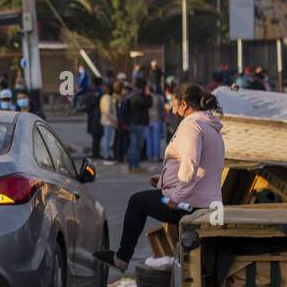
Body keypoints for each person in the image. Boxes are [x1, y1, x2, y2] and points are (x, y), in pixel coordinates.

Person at [96, 83, 225, 272]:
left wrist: (177, 196)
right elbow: (202, 166)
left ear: (185, 105)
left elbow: (190, 164)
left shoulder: (191, 125)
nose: (173, 109)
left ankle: (122, 258)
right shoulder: (210, 125)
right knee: (147, 200)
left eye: (174, 104)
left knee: (137, 202)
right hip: (209, 202)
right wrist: (163, 179)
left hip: (189, 204)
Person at [126, 77, 151, 172]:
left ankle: (131, 165)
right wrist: (148, 95)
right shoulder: (140, 95)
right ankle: (135, 165)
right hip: (139, 122)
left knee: (133, 145)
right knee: (137, 145)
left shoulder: (131, 94)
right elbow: (149, 103)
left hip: (132, 122)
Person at [84, 76, 104, 159]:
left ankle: (96, 153)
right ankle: (95, 154)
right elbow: (94, 103)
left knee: (96, 136)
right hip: (96, 116)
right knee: (96, 136)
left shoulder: (90, 91)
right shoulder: (97, 92)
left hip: (92, 116)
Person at [99, 82, 117, 165]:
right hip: (108, 121)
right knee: (107, 139)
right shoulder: (108, 98)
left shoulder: (104, 97)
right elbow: (107, 111)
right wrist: (114, 120)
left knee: (107, 139)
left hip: (106, 121)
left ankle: (106, 154)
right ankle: (106, 155)